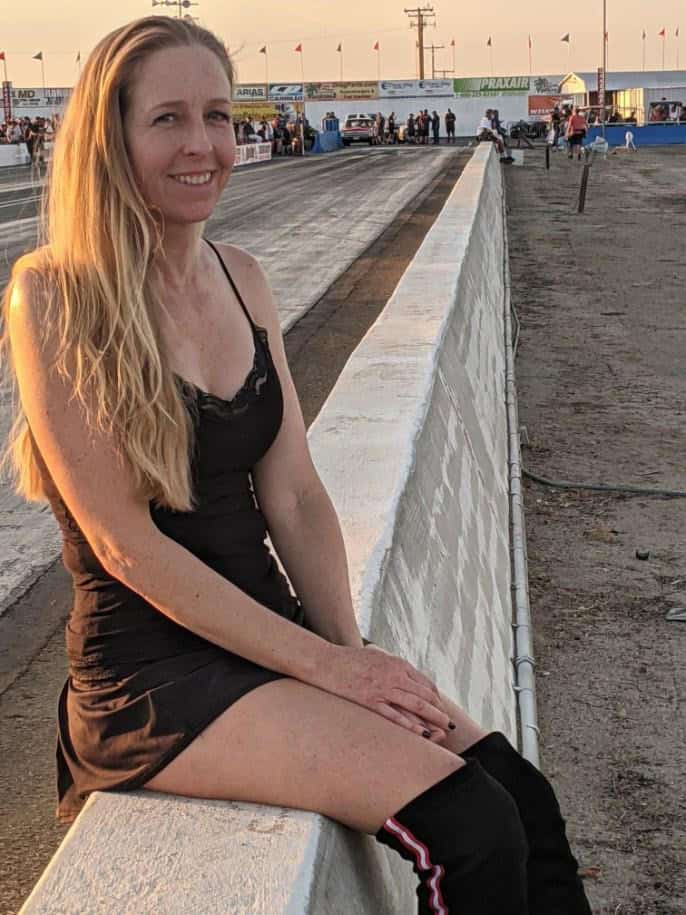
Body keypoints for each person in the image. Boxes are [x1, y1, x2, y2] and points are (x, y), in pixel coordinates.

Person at [0, 17, 591, 914]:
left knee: (524, 800)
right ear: (110, 139)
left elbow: (298, 496)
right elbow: (125, 547)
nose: (202, 144)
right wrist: (330, 672)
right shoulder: (53, 294)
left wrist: (350, 656)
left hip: (272, 636)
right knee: (472, 829)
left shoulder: (242, 277)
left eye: (217, 115)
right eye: (167, 118)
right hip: (154, 676)